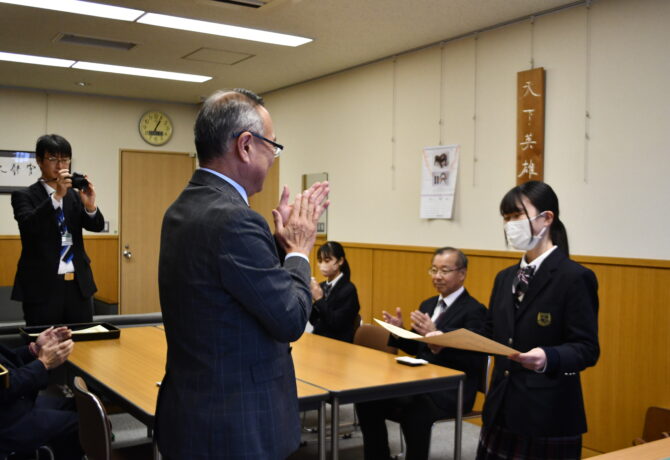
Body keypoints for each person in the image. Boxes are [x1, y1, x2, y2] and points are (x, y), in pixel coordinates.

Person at [155, 88, 329, 460]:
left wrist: (279, 249)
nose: (273, 157)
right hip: (236, 425)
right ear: (246, 145)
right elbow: (290, 319)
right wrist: (298, 252)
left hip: (192, 411)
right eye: (273, 146)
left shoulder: (183, 208)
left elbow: (230, 290)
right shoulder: (236, 219)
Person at [476, 181, 599, 460]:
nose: (510, 225)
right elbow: (489, 331)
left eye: (517, 216)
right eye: (505, 218)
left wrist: (548, 357)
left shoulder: (575, 277)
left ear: (546, 218)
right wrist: (443, 338)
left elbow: (587, 348)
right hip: (501, 406)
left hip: (547, 412)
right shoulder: (505, 277)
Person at [356, 247, 487, 460]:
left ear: (461, 274)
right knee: (367, 398)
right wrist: (399, 333)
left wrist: (439, 336)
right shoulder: (428, 304)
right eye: (434, 270)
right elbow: (420, 348)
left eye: (444, 271)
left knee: (415, 408)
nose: (437, 276)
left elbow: (473, 356)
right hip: (420, 380)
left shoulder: (475, 311)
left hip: (452, 388)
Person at [11, 134, 104, 326]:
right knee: (44, 346)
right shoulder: (24, 196)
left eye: (65, 159)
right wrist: (56, 197)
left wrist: (90, 206)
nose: (60, 165)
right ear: (39, 160)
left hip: (78, 286)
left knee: (82, 344)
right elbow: (29, 227)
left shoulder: (75, 196)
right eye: (53, 159)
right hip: (42, 286)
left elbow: (97, 226)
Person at [0, 326, 82, 459]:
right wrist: (43, 363)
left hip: (13, 405)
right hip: (8, 421)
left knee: (80, 406)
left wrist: (34, 350)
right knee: (82, 423)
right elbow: (6, 387)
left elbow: (4, 366)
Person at [309, 241, 361, 343]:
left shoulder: (349, 289)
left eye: (327, 261)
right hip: (320, 341)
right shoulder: (322, 286)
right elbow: (314, 321)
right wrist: (309, 296)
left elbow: (336, 324)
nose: (322, 265)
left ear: (340, 261)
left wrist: (319, 299)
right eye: (320, 261)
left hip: (339, 344)